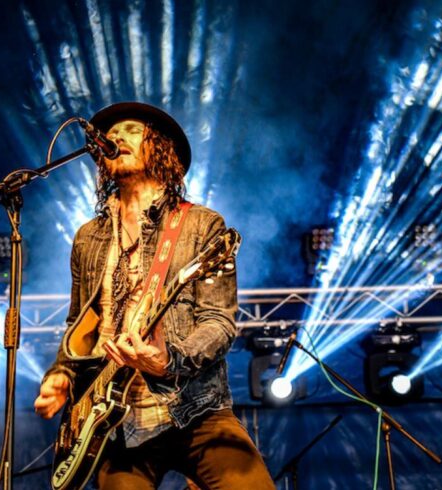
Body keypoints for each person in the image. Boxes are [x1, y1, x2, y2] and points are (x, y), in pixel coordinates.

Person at [34, 102, 274, 489]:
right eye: (110, 133)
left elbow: (219, 321)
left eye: (130, 129)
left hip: (195, 410)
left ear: (160, 145)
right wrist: (61, 375)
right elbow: (80, 326)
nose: (115, 137)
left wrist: (168, 361)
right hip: (116, 425)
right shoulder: (88, 238)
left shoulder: (200, 224)